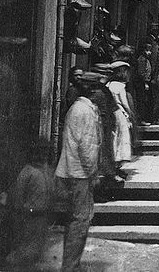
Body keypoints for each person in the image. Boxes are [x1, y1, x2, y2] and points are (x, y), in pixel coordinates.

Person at [55, 71, 103, 272]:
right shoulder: (85, 112)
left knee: (75, 221)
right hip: (80, 174)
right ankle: (70, 266)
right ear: (92, 91)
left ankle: (71, 264)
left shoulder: (77, 108)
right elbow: (87, 147)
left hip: (69, 171)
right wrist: (93, 173)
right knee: (80, 222)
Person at [5, 137, 55, 271]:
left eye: (46, 151)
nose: (43, 155)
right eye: (39, 151)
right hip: (28, 217)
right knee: (25, 249)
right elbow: (18, 197)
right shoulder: (27, 172)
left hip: (43, 217)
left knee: (37, 250)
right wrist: (21, 214)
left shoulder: (48, 171)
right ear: (33, 153)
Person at [106, 62, 135, 176]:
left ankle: (114, 166)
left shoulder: (109, 84)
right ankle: (117, 167)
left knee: (114, 138)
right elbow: (124, 103)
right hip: (120, 114)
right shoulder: (120, 86)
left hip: (112, 113)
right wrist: (130, 113)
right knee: (121, 139)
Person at [136, 43, 153, 125]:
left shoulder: (146, 59)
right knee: (142, 101)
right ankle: (141, 119)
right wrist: (145, 82)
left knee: (145, 101)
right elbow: (141, 73)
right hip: (142, 83)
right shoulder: (142, 59)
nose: (150, 52)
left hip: (145, 82)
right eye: (148, 50)